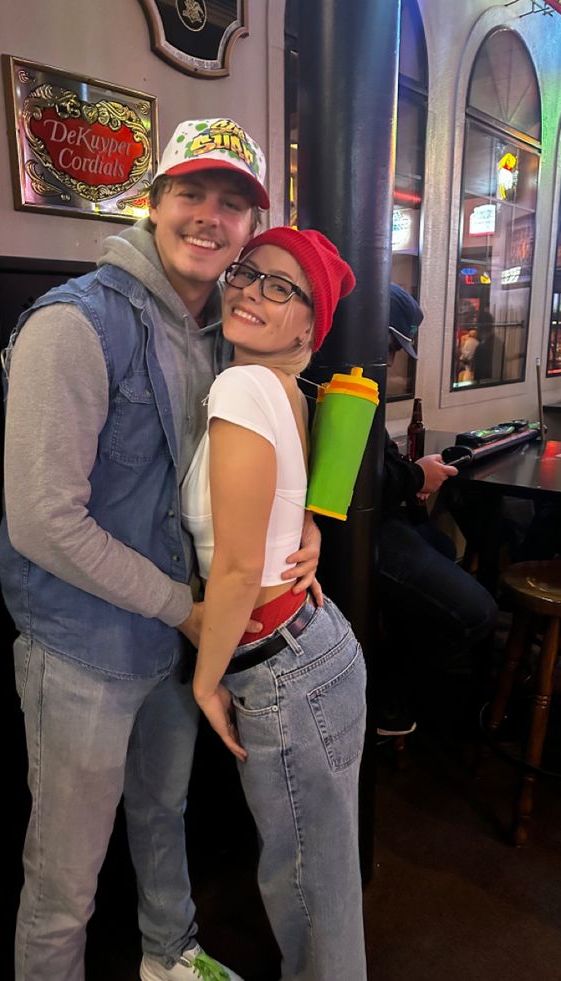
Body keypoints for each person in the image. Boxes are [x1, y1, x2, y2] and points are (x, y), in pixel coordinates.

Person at [0, 118, 321, 981]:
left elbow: (264, 456)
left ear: (252, 228)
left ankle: (168, 958)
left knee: (162, 815)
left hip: (173, 645)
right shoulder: (72, 325)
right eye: (191, 193)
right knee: (63, 884)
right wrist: (188, 608)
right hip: (82, 652)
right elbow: (41, 520)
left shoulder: (227, 330)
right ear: (153, 200)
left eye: (233, 203)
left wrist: (305, 529)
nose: (210, 217)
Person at [181, 228, 368, 980]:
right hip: (314, 651)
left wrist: (205, 678)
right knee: (324, 888)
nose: (252, 291)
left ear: (307, 324)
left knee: (305, 896)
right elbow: (282, 513)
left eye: (280, 288)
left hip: (282, 671)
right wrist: (309, 526)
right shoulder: (282, 388)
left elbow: (232, 567)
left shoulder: (241, 386)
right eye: (248, 273)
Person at [376, 284, 498, 736]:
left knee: (443, 546)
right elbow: (349, 481)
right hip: (358, 531)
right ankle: (385, 699)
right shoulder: (337, 376)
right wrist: (414, 478)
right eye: (389, 346)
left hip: (381, 517)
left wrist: (414, 477)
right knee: (478, 612)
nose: (391, 361)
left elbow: (373, 464)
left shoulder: (359, 376)